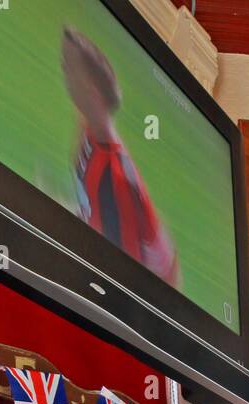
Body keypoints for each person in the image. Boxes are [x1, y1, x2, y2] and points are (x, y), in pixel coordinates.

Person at [61, 26, 181, 287]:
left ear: (93, 92)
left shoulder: (115, 179)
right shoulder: (86, 127)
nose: (64, 75)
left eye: (69, 69)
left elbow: (124, 276)